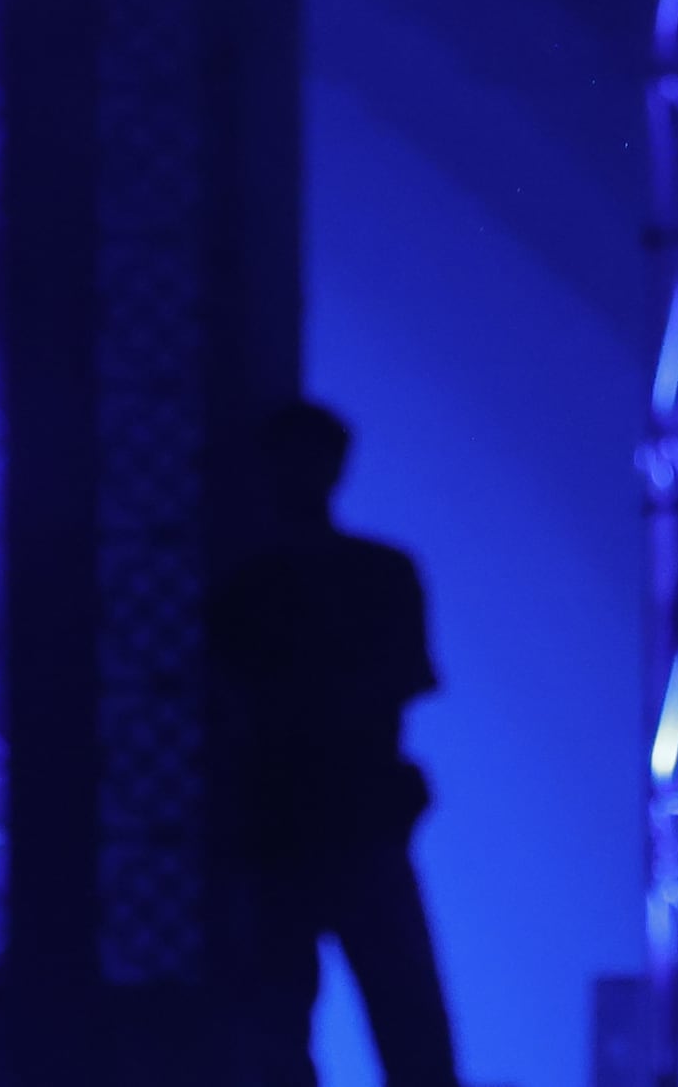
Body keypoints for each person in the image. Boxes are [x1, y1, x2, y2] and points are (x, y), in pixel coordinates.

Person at [212, 399, 460, 1087]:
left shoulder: (262, 588)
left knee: (303, 1018)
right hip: (317, 825)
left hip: (311, 826)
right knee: (384, 1015)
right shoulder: (362, 576)